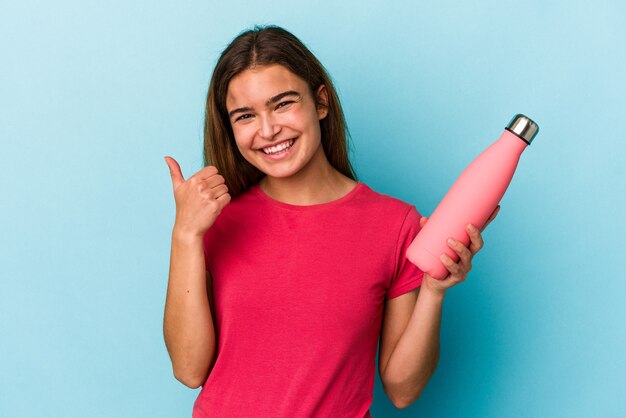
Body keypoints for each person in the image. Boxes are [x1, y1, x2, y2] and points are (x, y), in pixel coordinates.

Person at [163, 24, 499, 417]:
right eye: (245, 116)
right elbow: (189, 370)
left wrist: (434, 292)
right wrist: (185, 234)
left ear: (320, 102)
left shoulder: (394, 225)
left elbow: (402, 390)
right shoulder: (215, 222)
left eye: (283, 103)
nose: (268, 130)